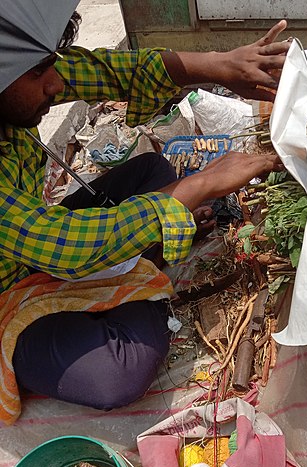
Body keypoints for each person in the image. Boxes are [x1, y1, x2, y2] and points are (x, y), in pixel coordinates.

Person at [0, 9, 289, 423]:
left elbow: (105, 70)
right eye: (38, 73)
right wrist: (203, 183)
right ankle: (139, 272)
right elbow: (62, 246)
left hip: (31, 243)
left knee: (153, 172)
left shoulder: (14, 83)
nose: (57, 83)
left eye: (51, 63)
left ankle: (133, 264)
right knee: (119, 373)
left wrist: (218, 65)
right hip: (12, 286)